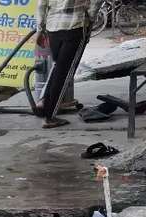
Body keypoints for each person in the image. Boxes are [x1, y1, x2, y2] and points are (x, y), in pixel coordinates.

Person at [35, 0, 102, 129]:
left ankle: (44, 101)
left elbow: (41, 4)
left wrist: (40, 28)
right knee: (64, 73)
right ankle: (50, 116)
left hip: (53, 27)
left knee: (58, 67)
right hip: (75, 26)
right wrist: (90, 19)